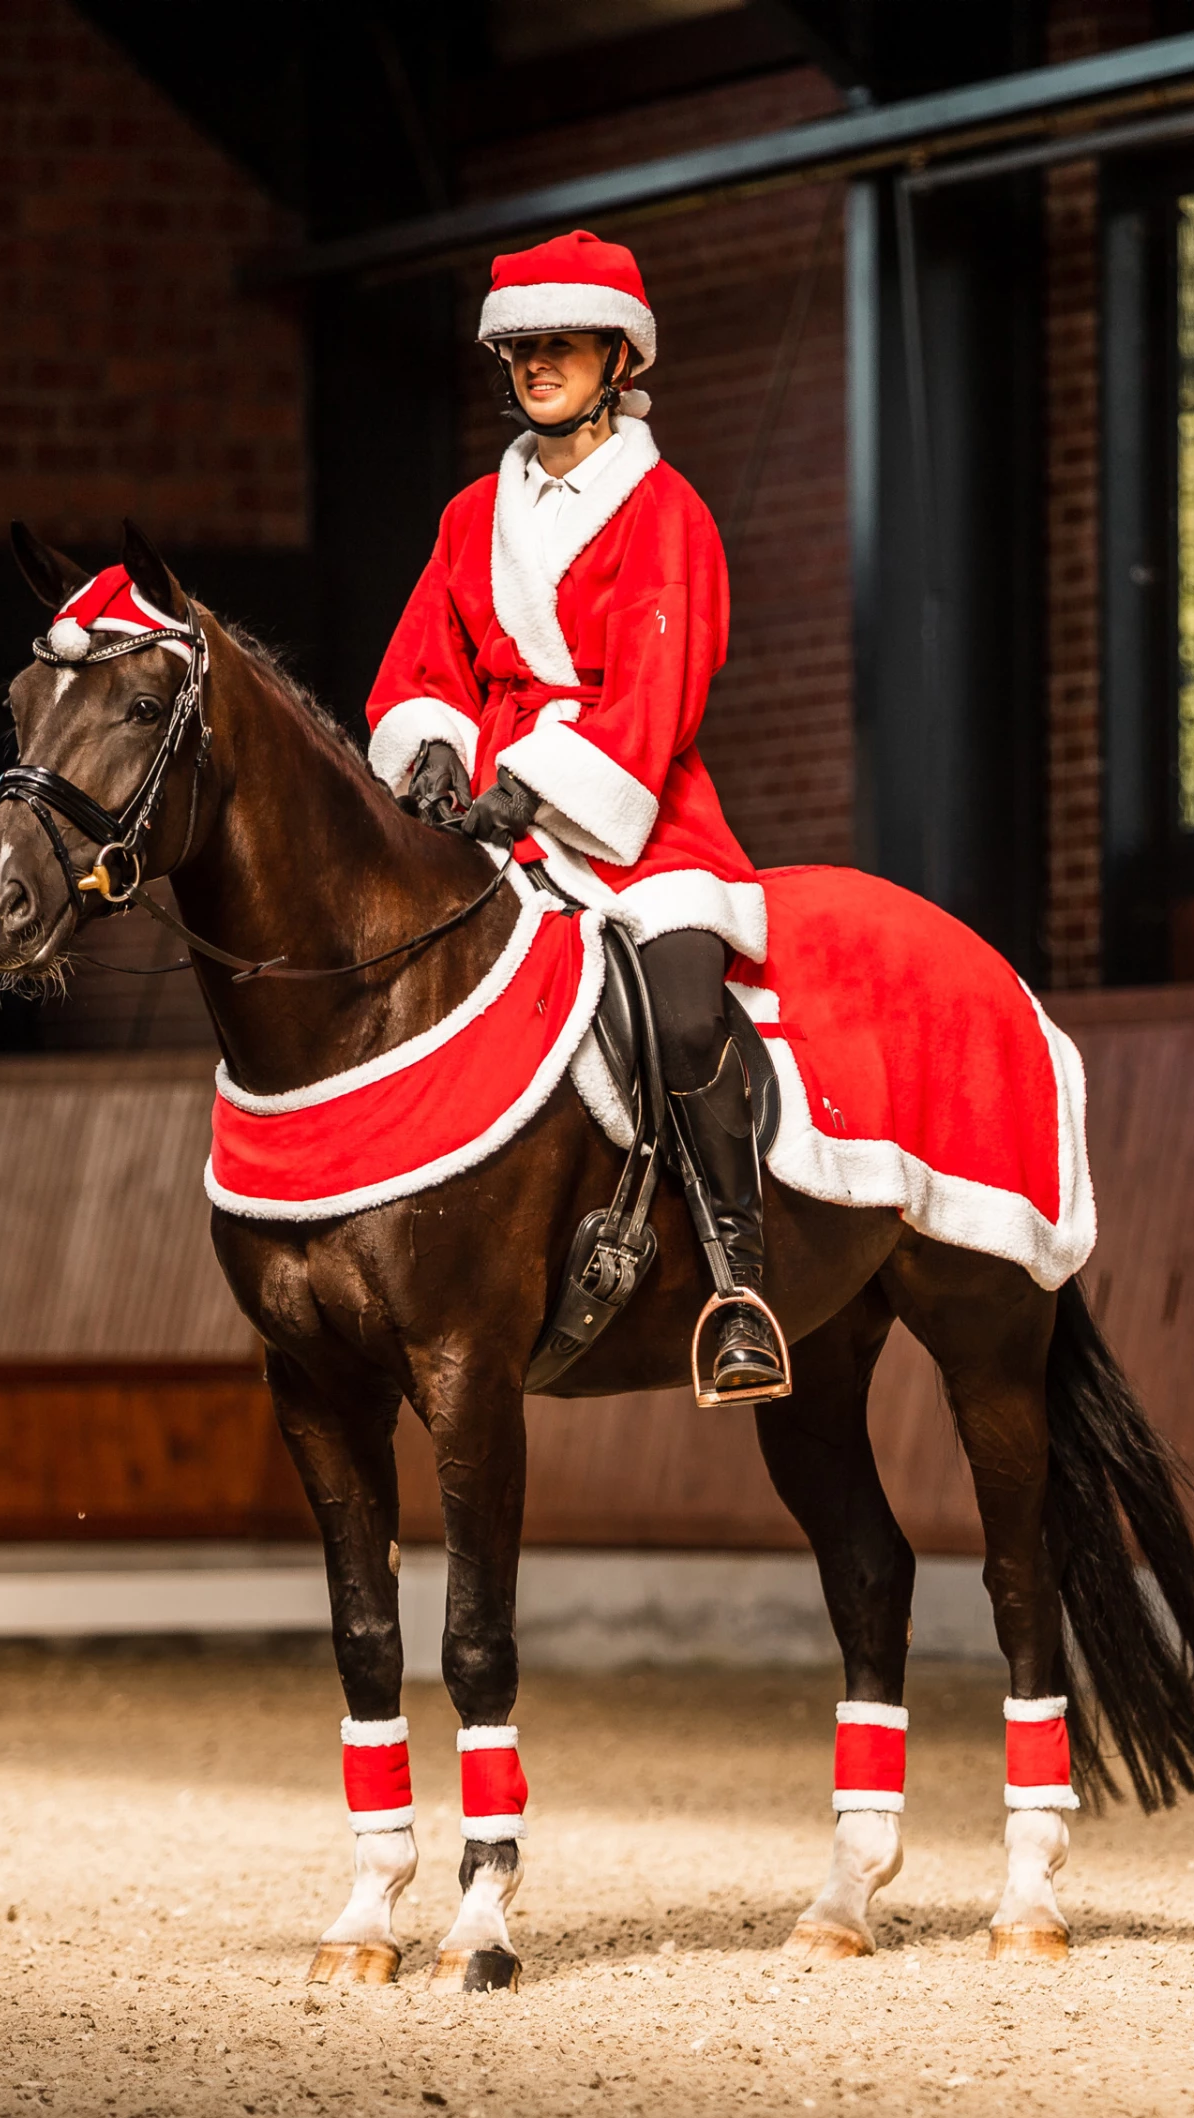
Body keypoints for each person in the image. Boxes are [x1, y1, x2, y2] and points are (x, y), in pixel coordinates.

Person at [366, 228, 784, 1400]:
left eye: (562, 343)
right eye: (521, 347)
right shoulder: (468, 518)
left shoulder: (666, 511)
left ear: (618, 358)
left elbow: (656, 697)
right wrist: (437, 752)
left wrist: (543, 784)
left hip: (635, 816)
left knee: (685, 1017)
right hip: (486, 811)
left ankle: (739, 1287)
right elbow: (422, 667)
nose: (537, 363)